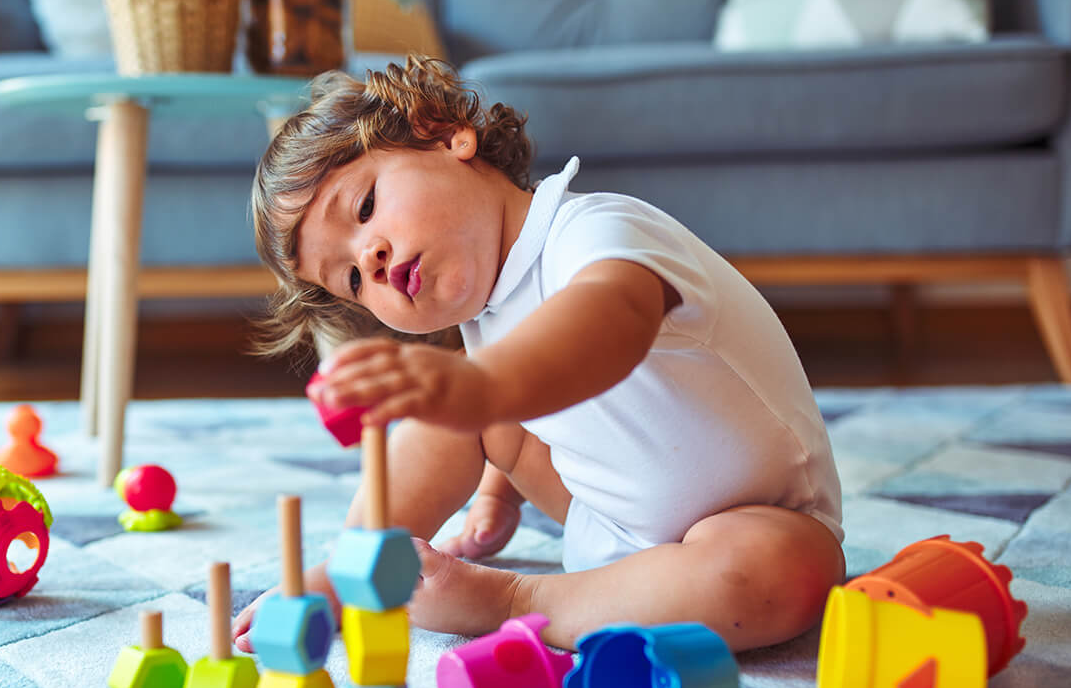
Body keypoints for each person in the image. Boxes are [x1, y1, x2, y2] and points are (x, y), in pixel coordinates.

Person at [233, 55, 844, 654]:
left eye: (365, 208)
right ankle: (354, 567)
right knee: (446, 415)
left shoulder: (595, 227)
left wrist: (478, 389)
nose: (371, 259)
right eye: (352, 281)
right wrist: (502, 483)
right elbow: (539, 403)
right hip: (608, 526)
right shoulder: (486, 319)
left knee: (776, 573)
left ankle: (515, 603)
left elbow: (607, 326)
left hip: (757, 521)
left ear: (446, 137)